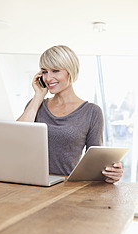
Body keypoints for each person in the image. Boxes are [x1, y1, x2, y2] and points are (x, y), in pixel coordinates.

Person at [17, 45, 123, 183]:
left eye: (55, 71)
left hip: (66, 187)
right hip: (29, 183)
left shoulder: (91, 112)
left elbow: (96, 163)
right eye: (44, 72)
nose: (48, 78)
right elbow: (17, 139)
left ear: (71, 72)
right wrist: (38, 96)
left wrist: (111, 172)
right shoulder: (36, 105)